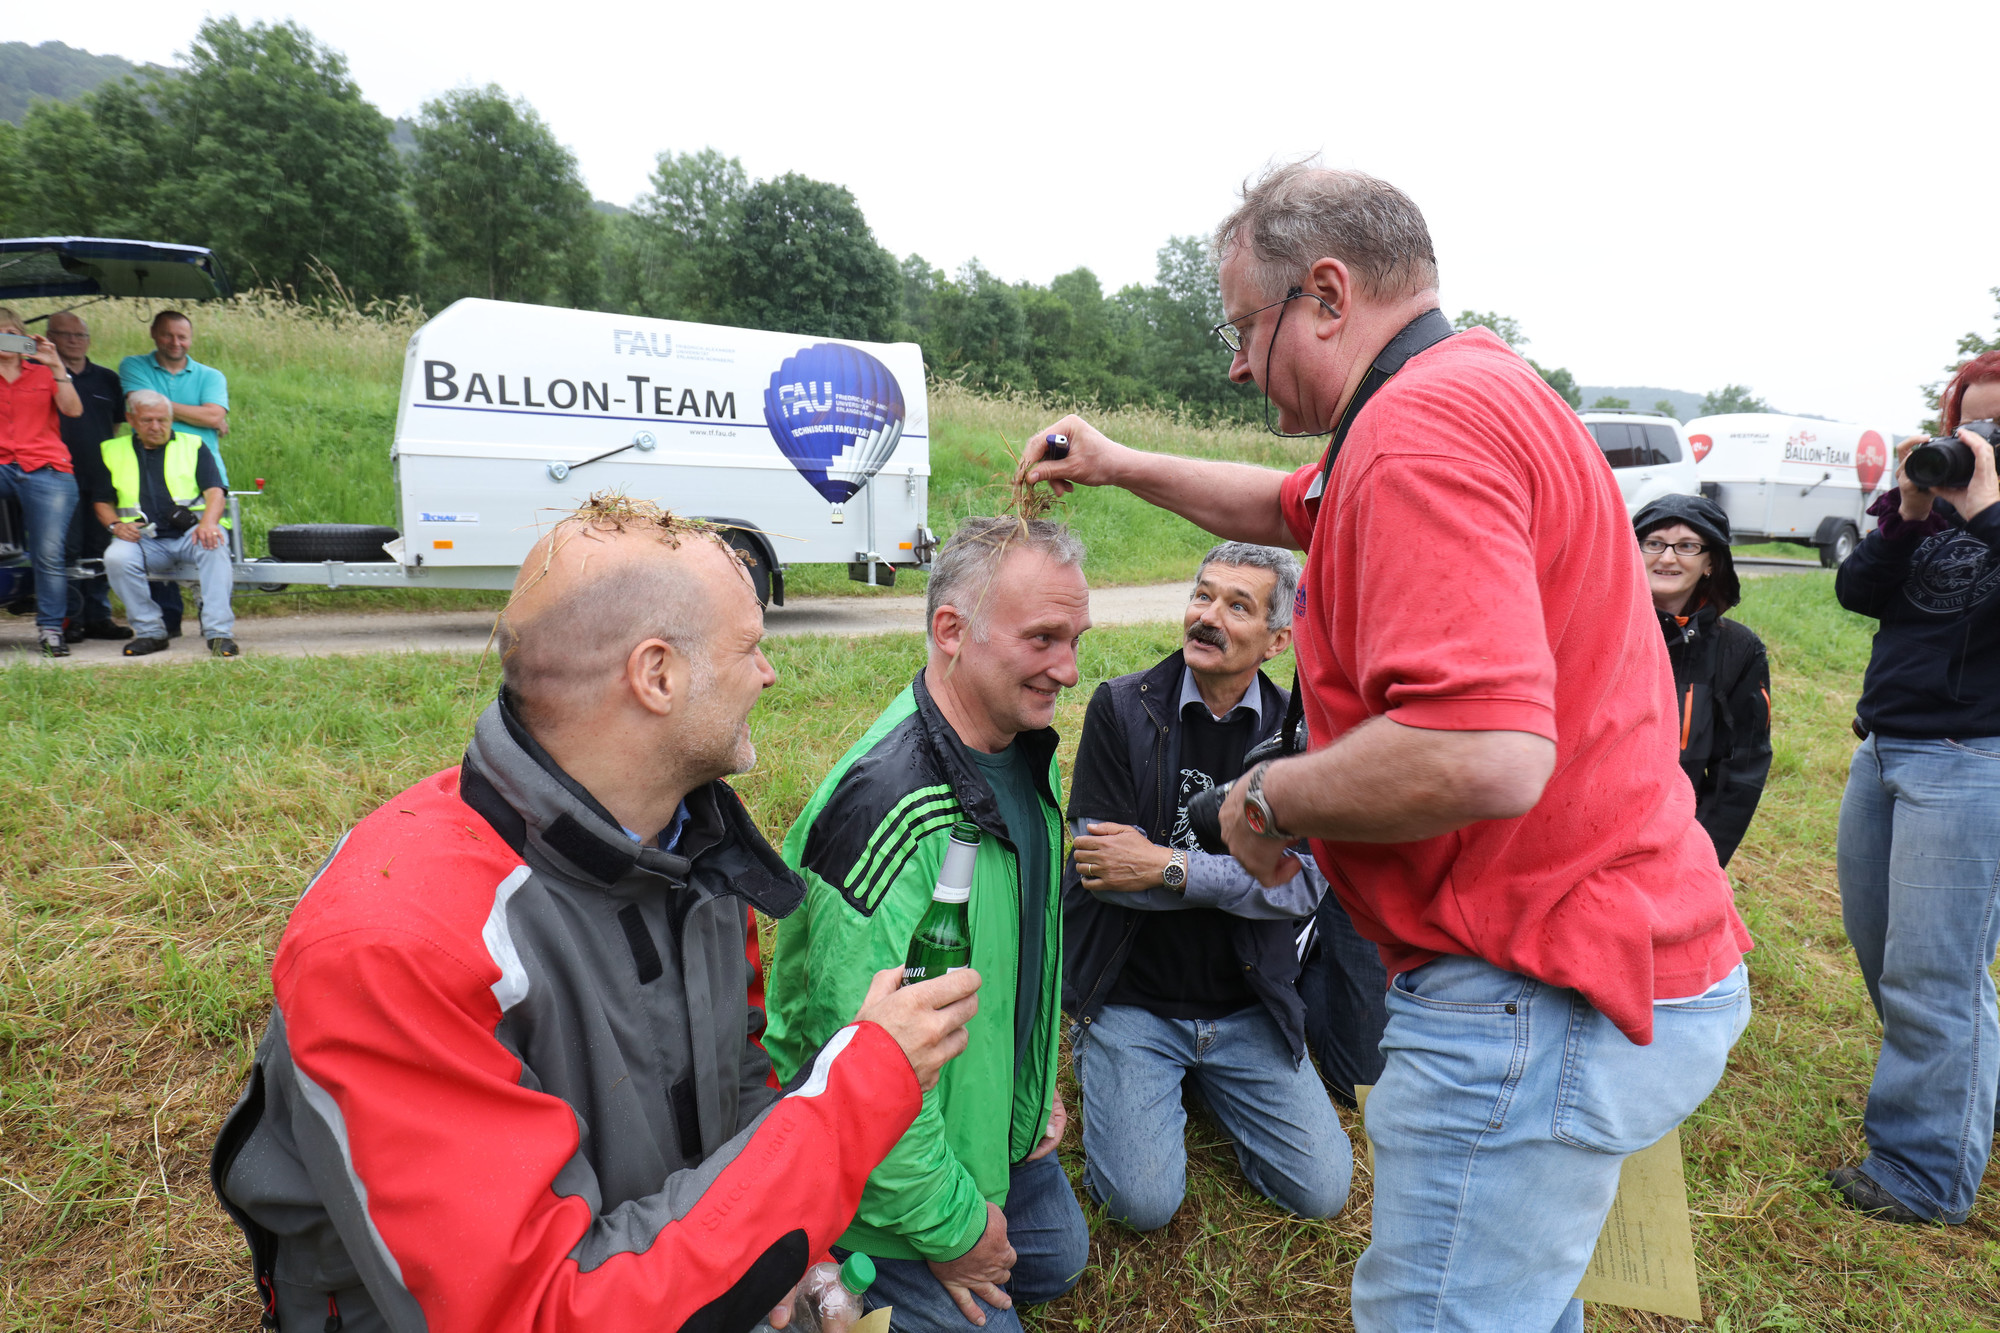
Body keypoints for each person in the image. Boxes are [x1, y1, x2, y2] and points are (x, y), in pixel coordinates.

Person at [1019, 164, 1751, 1333]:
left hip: (1528, 986)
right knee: (1517, 1300)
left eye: (1240, 327)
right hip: (1603, 945)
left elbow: (1483, 749)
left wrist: (1263, 799)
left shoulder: (1415, 433)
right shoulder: (1466, 390)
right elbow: (1282, 504)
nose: (1233, 362)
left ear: (1323, 293)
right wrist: (1117, 464)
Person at [210, 495, 984, 1333]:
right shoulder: (395, 943)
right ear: (658, 675)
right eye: (752, 646)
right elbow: (539, 1311)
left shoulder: (689, 846)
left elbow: (739, 1091)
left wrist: (797, 1256)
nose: (770, 673)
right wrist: (859, 1088)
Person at [764, 517, 1092, 1332]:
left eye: (1076, 638)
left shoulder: (1023, 748)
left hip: (982, 1126)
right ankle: (831, 1265)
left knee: (1058, 1255)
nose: (1071, 669)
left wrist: (1034, 1081)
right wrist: (956, 1232)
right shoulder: (889, 810)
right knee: (997, 1279)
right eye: (1044, 638)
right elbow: (855, 1066)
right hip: (881, 1171)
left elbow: (1025, 945)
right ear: (951, 630)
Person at [1062, 541, 1368, 1235]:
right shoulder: (1119, 708)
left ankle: (1202, 1084)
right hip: (1133, 996)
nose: (1208, 616)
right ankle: (1122, 1065)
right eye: (1203, 596)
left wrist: (1168, 866)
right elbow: (1104, 872)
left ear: (1277, 638)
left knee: (1322, 1189)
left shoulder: (1305, 741)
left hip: (1246, 1002)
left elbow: (1301, 889)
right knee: (1142, 1205)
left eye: (1237, 606)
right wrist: (1239, 877)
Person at [1829, 349, 2000, 1226]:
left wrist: (1991, 507)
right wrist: (1908, 509)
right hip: (1885, 746)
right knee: (1888, 948)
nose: (1977, 440)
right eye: (1967, 423)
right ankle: (1963, 1096)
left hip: (1972, 758)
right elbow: (1854, 590)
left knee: (1938, 971)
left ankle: (1923, 1172)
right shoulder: (1927, 505)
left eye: (1997, 427)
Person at [1632, 494, 1772, 866]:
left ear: (1711, 562)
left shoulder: (1739, 649)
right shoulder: (1593, 629)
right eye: (1654, 543)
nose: (1667, 557)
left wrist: (1700, 857)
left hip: (1676, 846)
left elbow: (1741, 767)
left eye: (1687, 546)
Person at [94, 392, 239, 658]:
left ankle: (219, 634)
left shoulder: (192, 444)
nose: (156, 427)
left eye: (162, 420)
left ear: (171, 419)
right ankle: (151, 633)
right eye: (147, 420)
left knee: (214, 544)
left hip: (190, 534)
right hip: (143, 539)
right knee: (116, 557)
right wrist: (115, 526)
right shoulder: (111, 450)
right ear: (131, 420)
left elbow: (215, 491)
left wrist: (208, 524)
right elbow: (101, 501)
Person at [119, 309, 229, 637]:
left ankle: (213, 621)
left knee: (205, 537)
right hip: (148, 461)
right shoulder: (134, 366)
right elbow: (209, 416)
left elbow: (213, 417)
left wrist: (158, 406)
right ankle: (166, 625)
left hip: (199, 467)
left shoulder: (211, 375)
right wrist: (202, 413)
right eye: (168, 335)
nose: (175, 342)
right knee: (157, 529)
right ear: (154, 334)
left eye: (182, 336)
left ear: (191, 338)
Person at [0, 305, 83, 657]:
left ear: (23, 337)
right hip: (3, 463)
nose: (5, 340)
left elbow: (73, 410)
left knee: (48, 553)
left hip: (46, 465)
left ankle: (50, 629)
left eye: (10, 333)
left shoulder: (43, 372)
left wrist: (56, 366)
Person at [47, 310, 132, 642]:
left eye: (80, 335)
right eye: (66, 335)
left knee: (100, 548)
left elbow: (115, 426)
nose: (74, 341)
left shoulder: (107, 379)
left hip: (101, 476)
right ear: (49, 337)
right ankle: (72, 618)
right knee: (67, 550)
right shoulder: (43, 375)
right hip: (57, 475)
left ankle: (100, 617)